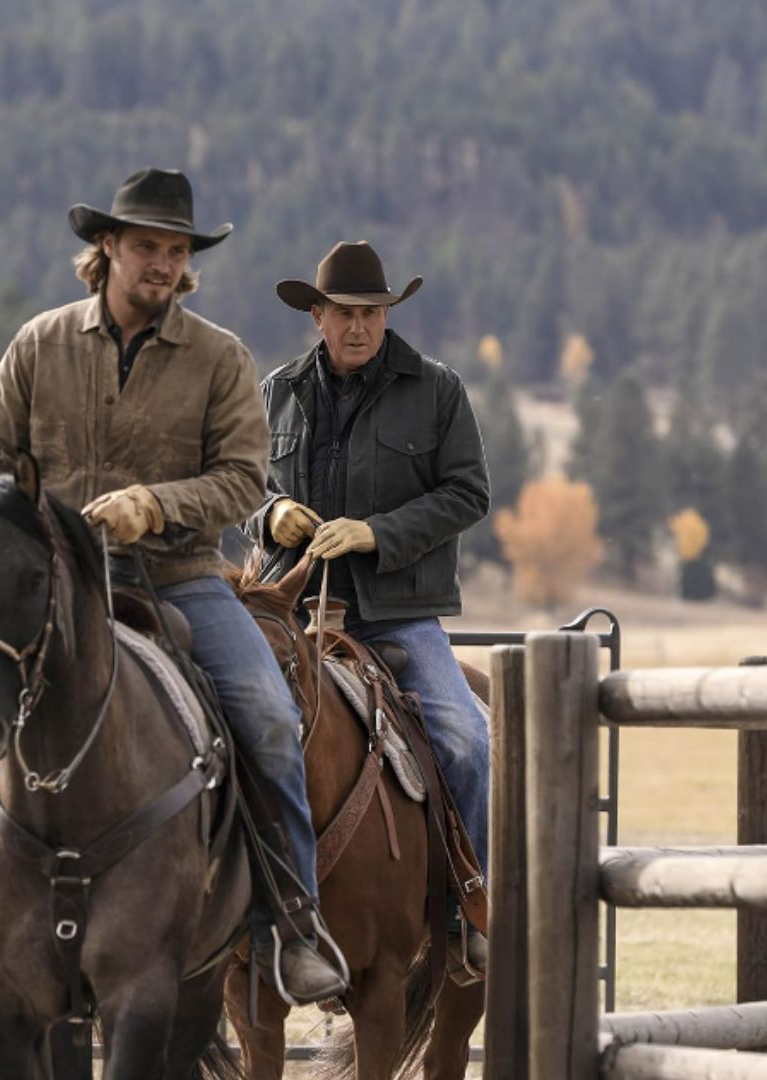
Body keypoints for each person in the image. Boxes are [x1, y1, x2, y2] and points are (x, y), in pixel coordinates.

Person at [0, 168, 345, 1003]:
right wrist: (29, 526)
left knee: (267, 715)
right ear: (108, 249)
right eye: (147, 247)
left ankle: (293, 918)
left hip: (180, 575)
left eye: (176, 251)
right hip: (47, 586)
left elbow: (242, 479)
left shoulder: (218, 358)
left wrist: (154, 506)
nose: (162, 264)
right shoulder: (39, 344)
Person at [249, 239, 493, 969]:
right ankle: (220, 909)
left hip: (395, 612)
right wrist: (271, 515)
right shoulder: (276, 391)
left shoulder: (437, 388)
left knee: (464, 739)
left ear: (387, 315)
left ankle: (470, 906)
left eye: (373, 313)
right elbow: (240, 487)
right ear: (316, 315)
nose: (360, 326)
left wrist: (375, 533)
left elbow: (468, 493)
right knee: (206, 731)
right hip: (285, 611)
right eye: (345, 313)